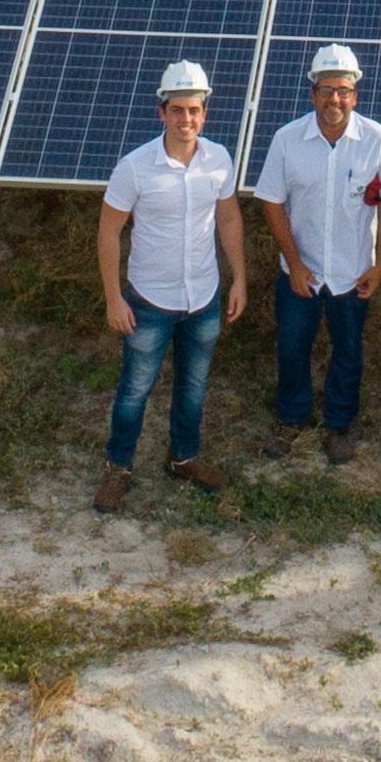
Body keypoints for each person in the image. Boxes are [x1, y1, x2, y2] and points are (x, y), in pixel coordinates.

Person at [96, 60, 246, 514]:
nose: (187, 120)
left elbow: (228, 217)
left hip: (203, 298)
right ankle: (118, 467)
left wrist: (240, 278)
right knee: (135, 390)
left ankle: (182, 458)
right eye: (177, 110)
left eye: (194, 110)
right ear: (161, 112)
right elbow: (108, 232)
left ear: (205, 112)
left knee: (194, 387)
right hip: (149, 302)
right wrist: (113, 297)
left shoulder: (218, 159)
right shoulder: (135, 168)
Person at [253, 44, 381, 465]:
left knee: (348, 351)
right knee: (292, 349)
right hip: (300, 273)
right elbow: (271, 202)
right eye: (325, 89)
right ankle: (292, 419)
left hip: (353, 273)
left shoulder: (379, 141)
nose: (334, 98)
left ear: (355, 94)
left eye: (343, 90)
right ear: (312, 92)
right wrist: (295, 264)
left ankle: (340, 424)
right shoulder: (287, 140)